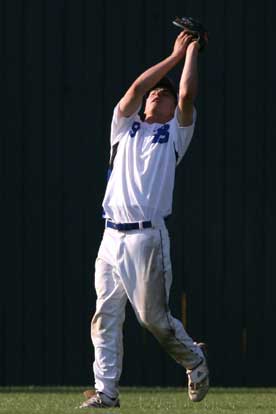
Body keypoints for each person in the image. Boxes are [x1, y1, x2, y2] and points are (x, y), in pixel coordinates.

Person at [80, 30, 209, 409]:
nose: (158, 93)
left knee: (154, 322)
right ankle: (106, 392)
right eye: (156, 91)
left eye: (164, 93)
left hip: (145, 238)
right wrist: (173, 54)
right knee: (105, 316)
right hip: (110, 236)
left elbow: (186, 96)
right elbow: (137, 86)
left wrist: (191, 53)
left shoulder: (174, 135)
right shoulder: (123, 128)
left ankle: (194, 359)